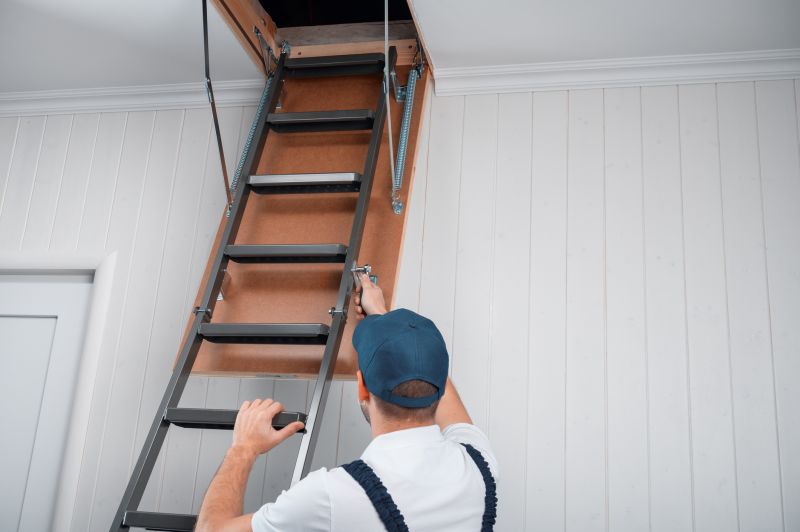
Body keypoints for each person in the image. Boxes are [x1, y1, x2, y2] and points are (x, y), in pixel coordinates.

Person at [196, 274, 499, 531]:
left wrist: (243, 448)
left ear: (362, 387)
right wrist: (382, 321)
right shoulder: (477, 463)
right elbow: (434, 374)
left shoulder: (333, 496)